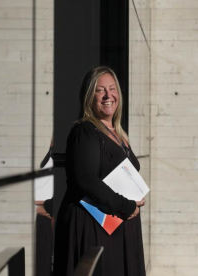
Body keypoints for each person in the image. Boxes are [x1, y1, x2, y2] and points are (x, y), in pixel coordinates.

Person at [53, 66, 146, 276]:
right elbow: (85, 179)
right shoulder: (85, 131)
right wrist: (125, 205)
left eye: (112, 89)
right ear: (89, 96)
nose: (108, 95)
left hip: (117, 224)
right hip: (93, 226)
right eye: (100, 90)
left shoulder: (118, 134)